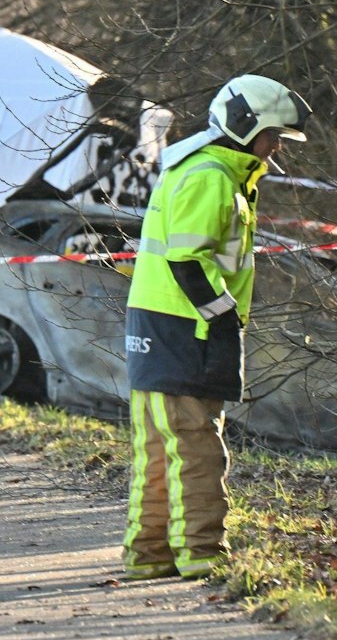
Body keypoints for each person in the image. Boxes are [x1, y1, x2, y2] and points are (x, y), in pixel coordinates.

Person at [123, 74, 309, 580]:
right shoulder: (212, 176)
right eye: (272, 135)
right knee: (198, 451)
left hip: (162, 329)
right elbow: (188, 260)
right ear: (245, 127)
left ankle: (150, 555)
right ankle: (202, 554)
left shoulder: (203, 168)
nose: (275, 148)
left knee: (161, 454)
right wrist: (223, 316)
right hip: (186, 331)